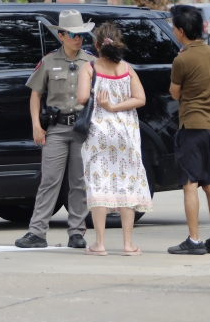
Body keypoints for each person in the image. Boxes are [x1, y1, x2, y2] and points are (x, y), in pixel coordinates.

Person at [15, 10, 95, 249]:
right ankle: (37, 232)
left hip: (82, 128)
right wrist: (36, 126)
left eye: (81, 34)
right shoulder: (49, 61)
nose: (78, 39)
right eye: (72, 34)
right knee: (49, 180)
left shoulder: (90, 62)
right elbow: (35, 94)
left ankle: (77, 232)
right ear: (61, 35)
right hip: (57, 128)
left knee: (79, 182)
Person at [76, 23, 153, 256]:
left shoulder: (89, 68)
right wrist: (116, 106)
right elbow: (140, 99)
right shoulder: (127, 68)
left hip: (98, 134)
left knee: (99, 184)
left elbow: (81, 98)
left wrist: (100, 99)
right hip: (126, 134)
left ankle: (99, 244)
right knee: (127, 183)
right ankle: (128, 244)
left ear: (97, 45)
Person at [166, 4, 210, 256]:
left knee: (189, 184)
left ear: (181, 31)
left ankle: (193, 240)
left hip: (191, 127)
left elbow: (174, 92)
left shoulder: (181, 59)